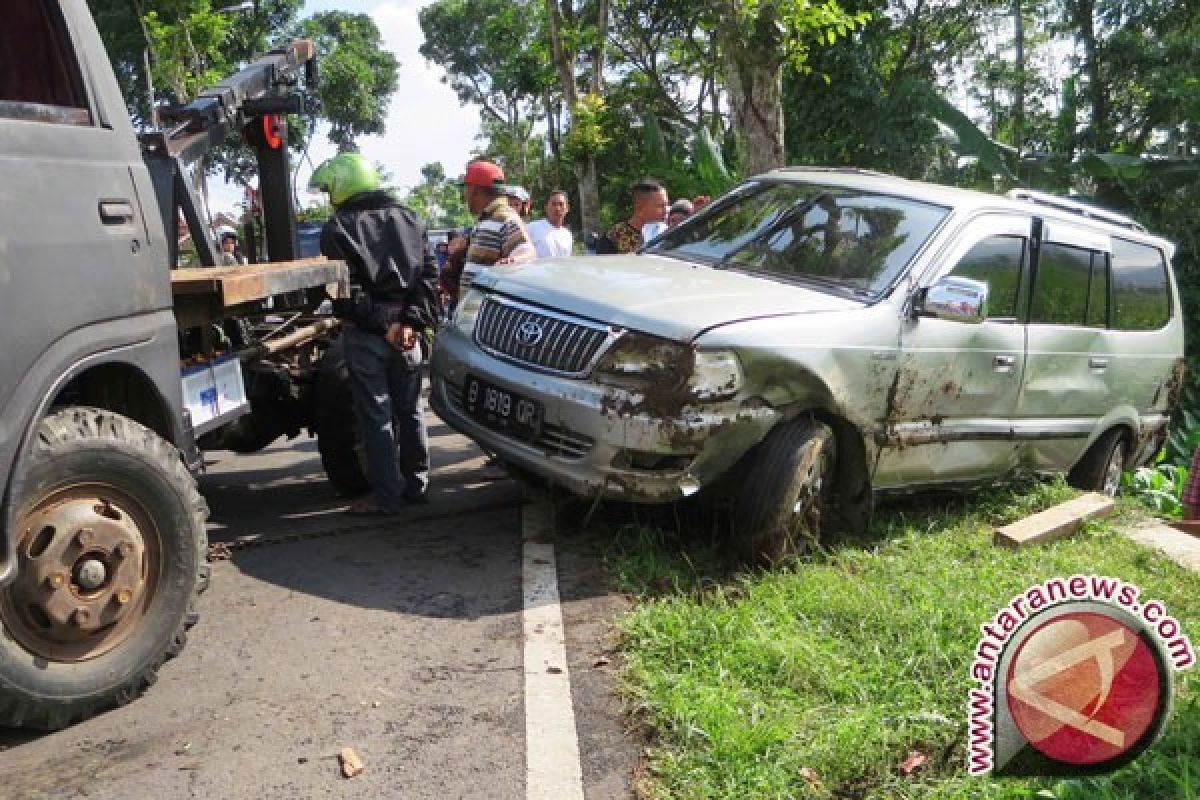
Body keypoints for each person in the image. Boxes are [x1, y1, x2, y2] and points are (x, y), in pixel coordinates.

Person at [308, 152, 441, 515]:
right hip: (409, 334)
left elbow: (344, 293)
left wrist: (386, 327)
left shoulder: (337, 229)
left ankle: (387, 497)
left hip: (369, 334)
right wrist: (411, 323)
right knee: (411, 412)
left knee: (376, 416)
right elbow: (429, 279)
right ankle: (417, 486)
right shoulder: (412, 219)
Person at [458, 160, 536, 294]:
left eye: (466, 188)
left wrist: (512, 261)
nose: (465, 195)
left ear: (475, 190)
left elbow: (528, 253)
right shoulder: (487, 218)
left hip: (485, 311)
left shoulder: (505, 217)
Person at [606, 179, 669, 254]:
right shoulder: (614, 237)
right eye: (660, 206)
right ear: (640, 209)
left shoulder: (668, 233)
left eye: (667, 205)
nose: (666, 210)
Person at [526, 190, 573, 258]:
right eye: (553, 204)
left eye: (561, 204)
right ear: (546, 207)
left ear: (567, 208)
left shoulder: (567, 235)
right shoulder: (532, 228)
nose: (557, 208)